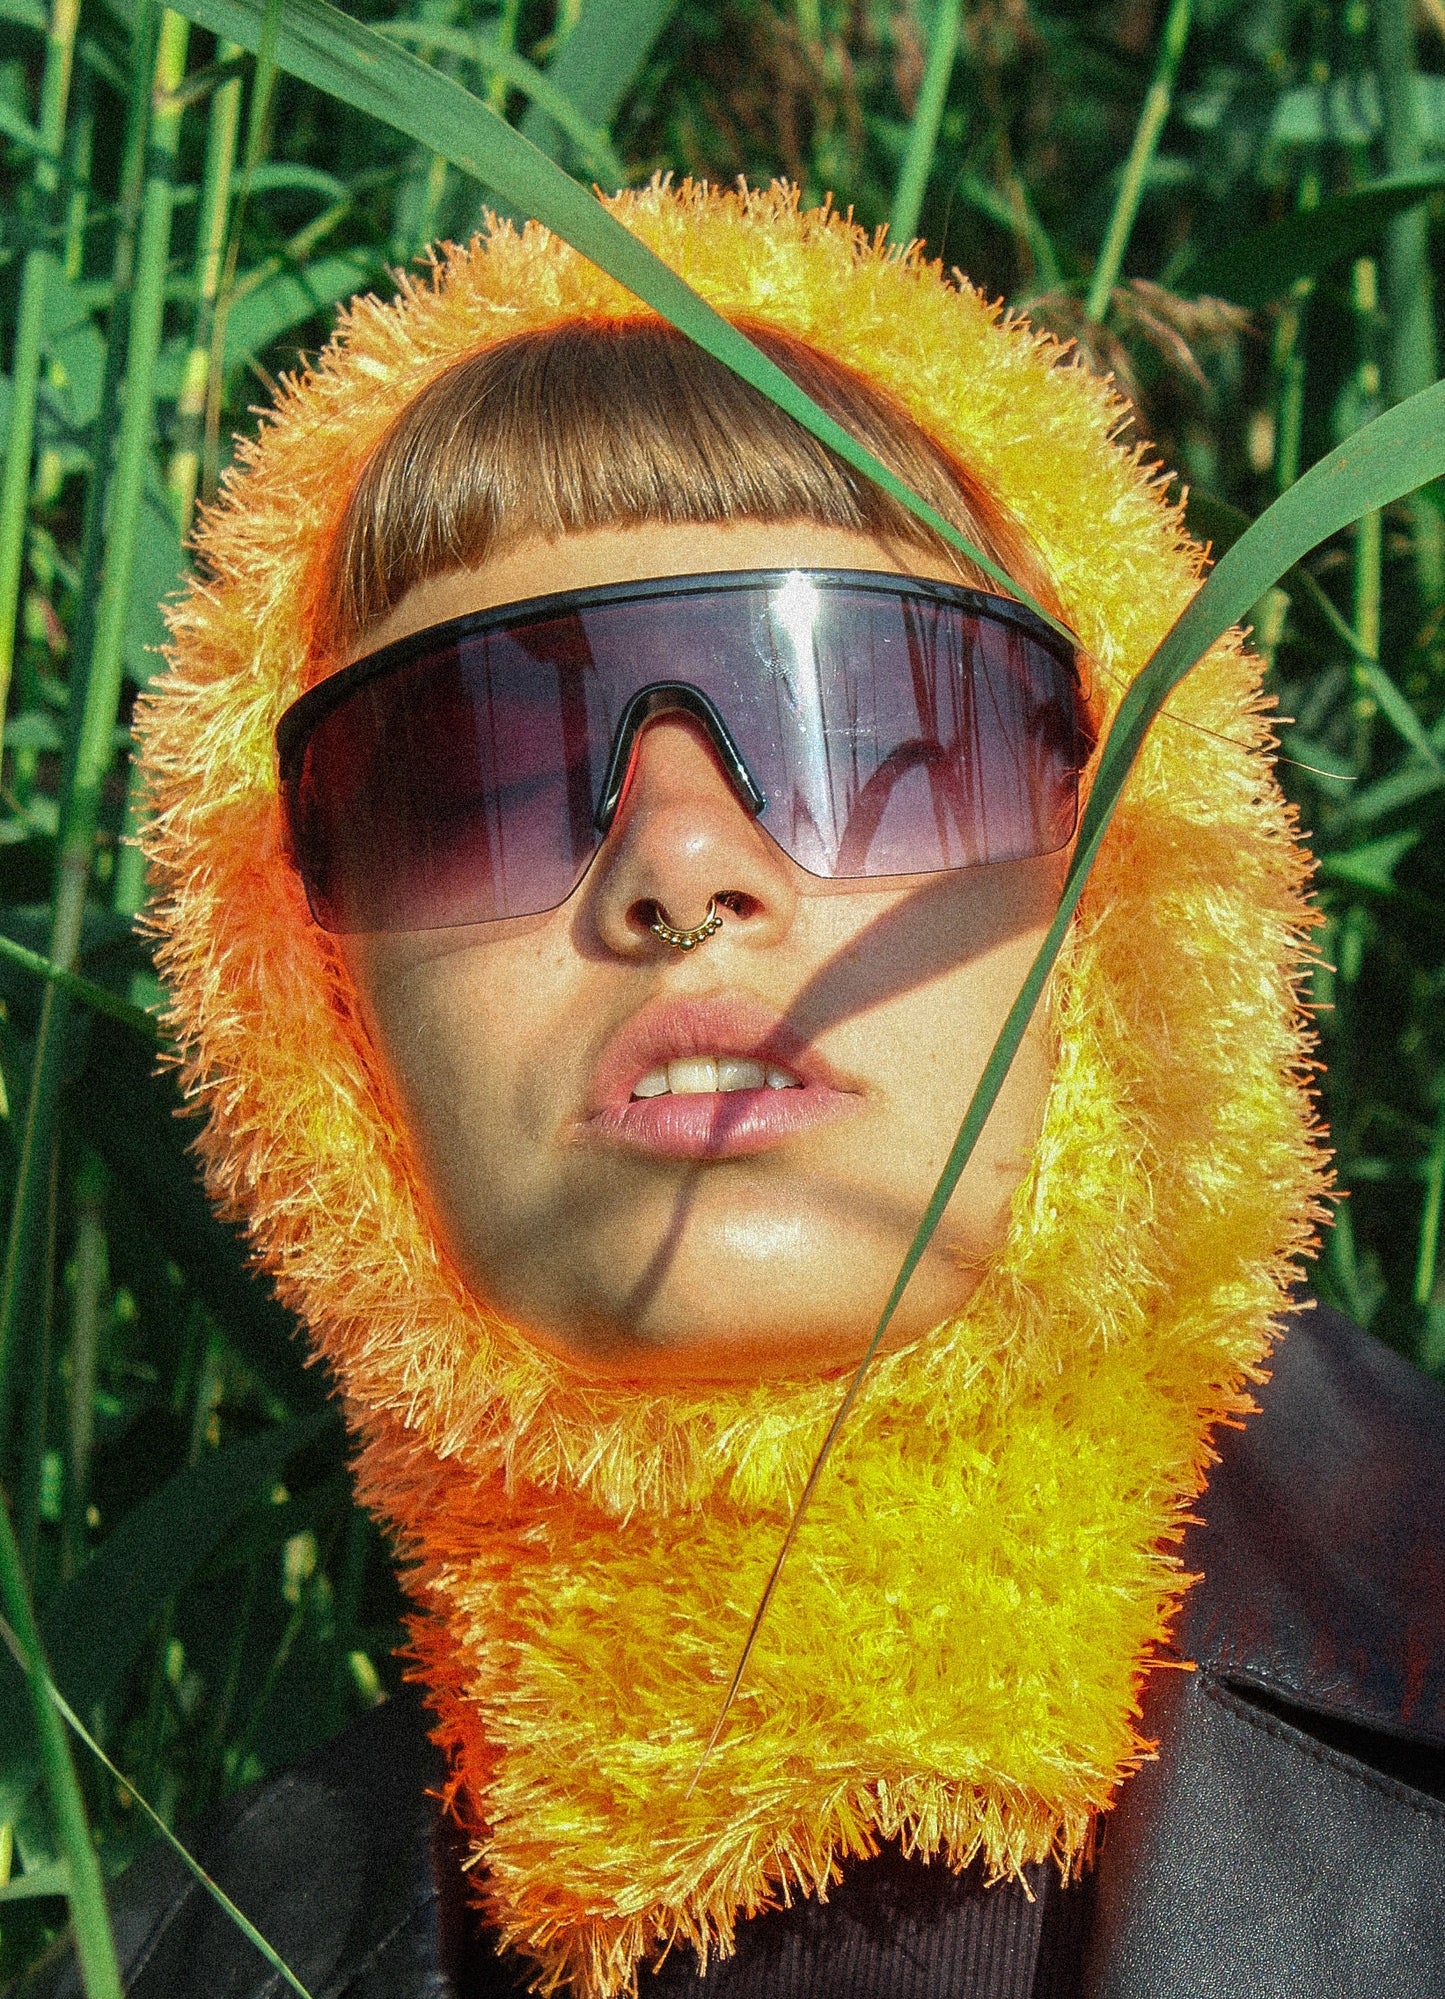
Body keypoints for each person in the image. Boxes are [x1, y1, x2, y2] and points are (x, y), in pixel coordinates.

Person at [19, 181, 1445, 1999]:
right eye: (484, 770)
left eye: (869, 728)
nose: (684, 864)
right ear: (310, 995)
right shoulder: (149, 1959)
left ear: (1122, 886)